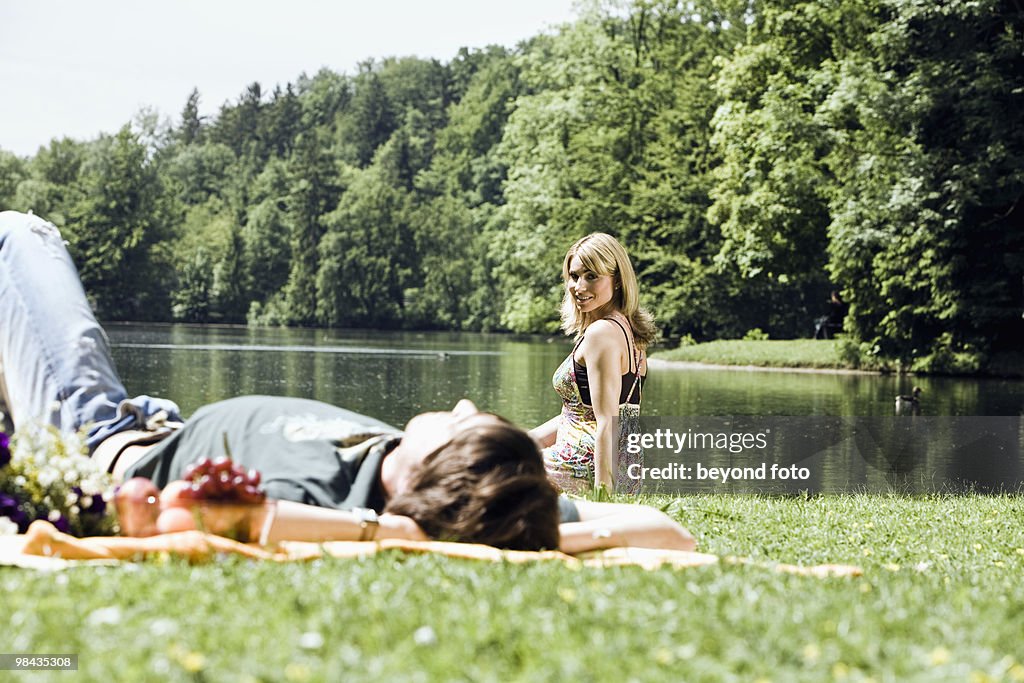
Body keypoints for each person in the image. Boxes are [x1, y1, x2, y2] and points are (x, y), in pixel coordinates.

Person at [0, 211, 695, 553]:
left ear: (434, 469)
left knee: (21, 236)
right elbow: (667, 532)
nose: (462, 402)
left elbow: (191, 517)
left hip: (100, 436)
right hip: (166, 419)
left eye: (463, 422)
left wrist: (397, 532)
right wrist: (531, 536)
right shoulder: (442, 484)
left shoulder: (331, 502)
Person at [530, 233, 658, 494]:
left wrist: (603, 499)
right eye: (574, 276)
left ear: (618, 281)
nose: (579, 286)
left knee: (483, 468)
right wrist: (527, 440)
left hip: (584, 466)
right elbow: (581, 415)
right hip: (625, 467)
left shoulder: (602, 333)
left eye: (592, 276)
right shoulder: (629, 330)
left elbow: (606, 423)